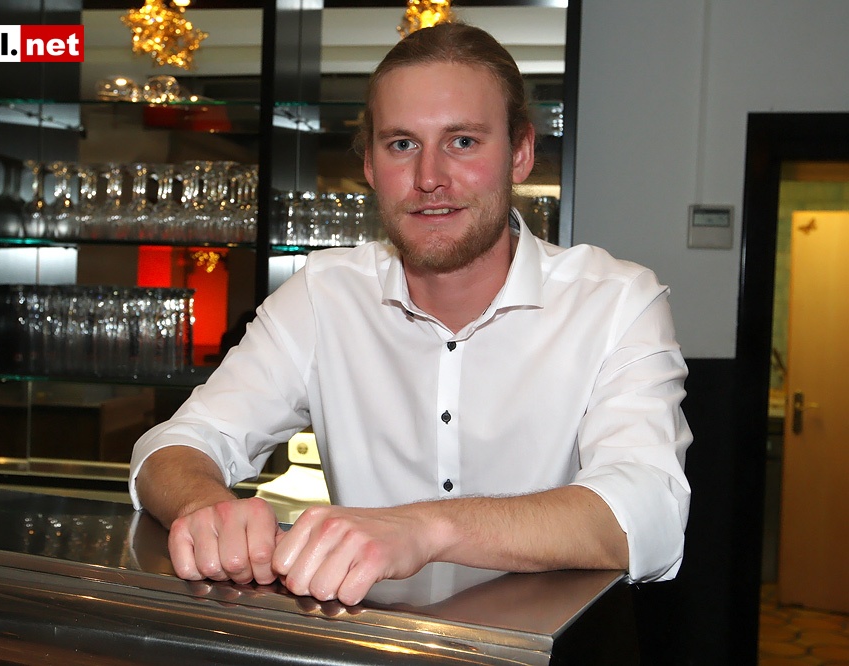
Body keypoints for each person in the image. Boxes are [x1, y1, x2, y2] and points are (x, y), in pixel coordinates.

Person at [129, 21, 692, 607]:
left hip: (546, 646)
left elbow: (647, 507)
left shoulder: (617, 301)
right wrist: (205, 506)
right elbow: (178, 444)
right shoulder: (324, 294)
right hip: (368, 642)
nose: (429, 178)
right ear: (371, 166)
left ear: (520, 154)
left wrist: (425, 529)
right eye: (402, 144)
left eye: (463, 141)